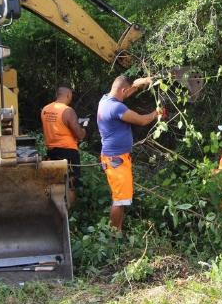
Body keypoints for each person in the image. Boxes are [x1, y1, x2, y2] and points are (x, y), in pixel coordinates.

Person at [97, 75, 161, 230]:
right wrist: (156, 113)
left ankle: (116, 231)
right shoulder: (116, 107)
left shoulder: (105, 100)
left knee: (122, 198)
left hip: (115, 157)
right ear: (123, 90)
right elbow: (142, 120)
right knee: (119, 200)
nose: (128, 96)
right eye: (127, 92)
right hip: (116, 160)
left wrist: (139, 84)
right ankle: (114, 236)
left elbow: (125, 91)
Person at [41, 87, 86, 208]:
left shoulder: (45, 109)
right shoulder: (67, 111)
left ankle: (54, 211)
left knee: (55, 183)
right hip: (68, 152)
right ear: (68, 95)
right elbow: (79, 134)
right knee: (71, 185)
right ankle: (69, 216)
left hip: (51, 152)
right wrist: (83, 130)